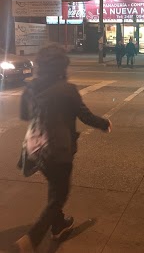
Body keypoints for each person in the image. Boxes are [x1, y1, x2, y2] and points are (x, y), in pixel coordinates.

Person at [15, 44, 112, 253]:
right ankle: (32, 238)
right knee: (60, 195)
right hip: (58, 151)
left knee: (54, 186)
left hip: (36, 150)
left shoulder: (30, 88)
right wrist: (105, 124)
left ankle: (58, 225)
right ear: (61, 67)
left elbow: (24, 115)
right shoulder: (68, 90)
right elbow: (86, 116)